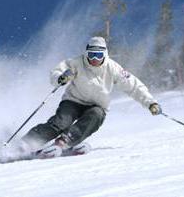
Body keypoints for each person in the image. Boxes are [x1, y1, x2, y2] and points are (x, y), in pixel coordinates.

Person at [20, 36, 162, 158]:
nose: (94, 59)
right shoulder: (76, 63)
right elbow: (57, 71)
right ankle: (27, 142)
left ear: (104, 55)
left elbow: (134, 86)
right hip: (73, 101)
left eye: (98, 55)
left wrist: (151, 103)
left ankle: (63, 142)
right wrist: (61, 77)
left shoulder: (113, 68)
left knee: (96, 115)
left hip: (96, 106)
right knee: (61, 122)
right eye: (91, 54)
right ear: (86, 53)